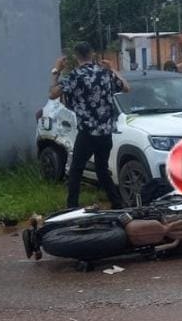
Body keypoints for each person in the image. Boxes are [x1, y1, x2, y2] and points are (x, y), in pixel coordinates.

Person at [50, 42, 130, 209]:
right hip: (105, 133)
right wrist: (112, 69)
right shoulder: (105, 74)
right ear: (92, 54)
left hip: (87, 132)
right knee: (102, 170)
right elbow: (126, 88)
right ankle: (117, 203)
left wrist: (56, 71)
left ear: (76, 56)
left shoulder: (75, 76)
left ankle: (72, 207)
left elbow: (53, 94)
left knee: (76, 170)